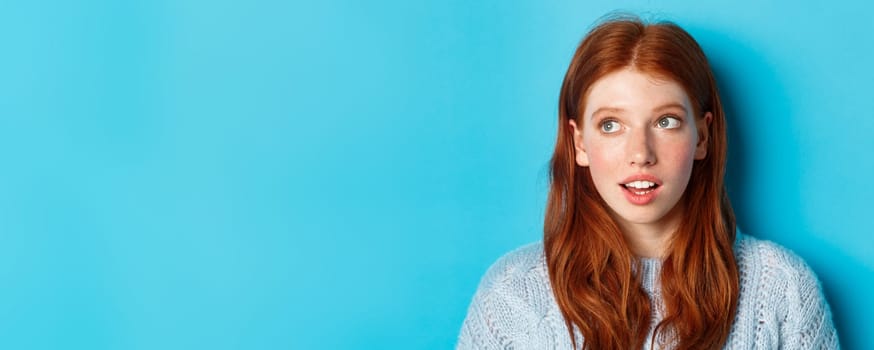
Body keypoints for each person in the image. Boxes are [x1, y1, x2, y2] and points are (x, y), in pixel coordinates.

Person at [456, 15, 839, 350]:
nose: (641, 153)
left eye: (665, 121)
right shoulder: (513, 295)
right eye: (611, 125)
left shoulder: (782, 289)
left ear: (702, 137)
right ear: (579, 144)